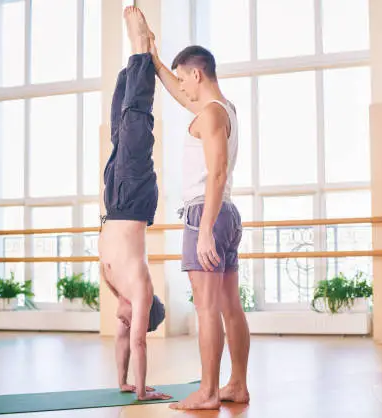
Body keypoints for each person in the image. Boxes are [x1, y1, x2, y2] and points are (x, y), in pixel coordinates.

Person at [146, 20, 251, 411]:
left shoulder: (209, 114)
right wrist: (155, 60)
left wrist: (204, 229)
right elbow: (180, 97)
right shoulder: (224, 109)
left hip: (205, 215)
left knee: (207, 308)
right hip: (227, 213)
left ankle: (208, 392)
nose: (182, 87)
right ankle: (236, 385)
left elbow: (218, 170)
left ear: (197, 72)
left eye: (183, 78)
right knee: (229, 306)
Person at [97, 6, 171, 402]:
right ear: (144, 311)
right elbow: (139, 343)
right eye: (131, 322)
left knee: (119, 126)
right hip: (136, 199)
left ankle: (129, 71)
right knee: (136, 121)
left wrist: (122, 382)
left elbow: (124, 344)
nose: (122, 325)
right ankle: (141, 47)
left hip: (114, 200)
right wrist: (142, 392)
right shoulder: (139, 290)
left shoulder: (117, 292)